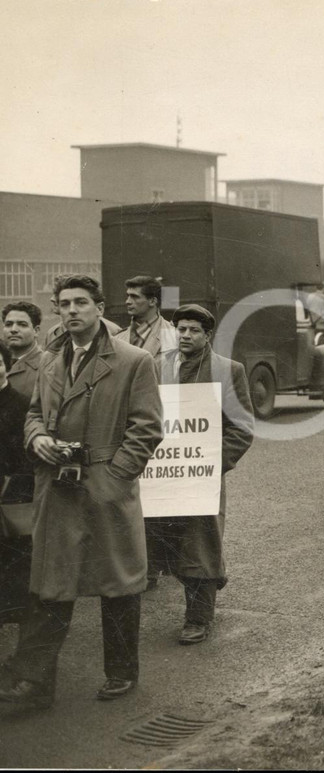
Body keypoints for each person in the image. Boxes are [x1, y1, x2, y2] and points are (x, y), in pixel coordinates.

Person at [0, 275, 162, 708]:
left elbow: (147, 428)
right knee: (51, 584)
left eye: (81, 302)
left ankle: (122, 672)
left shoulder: (134, 360)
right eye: (64, 303)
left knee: (119, 583)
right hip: (58, 488)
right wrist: (37, 440)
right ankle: (33, 684)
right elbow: (33, 415)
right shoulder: (52, 361)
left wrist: (115, 479)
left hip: (105, 487)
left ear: (99, 306)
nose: (72, 310)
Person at [158, 305, 254, 645]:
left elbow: (242, 428)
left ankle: (198, 618)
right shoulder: (157, 366)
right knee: (166, 541)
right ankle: (204, 587)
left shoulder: (228, 370)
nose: (185, 335)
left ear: (207, 335)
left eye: (193, 330)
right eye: (180, 329)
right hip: (163, 475)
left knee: (200, 544)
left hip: (203, 474)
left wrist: (212, 463)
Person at [114, 275, 178, 591]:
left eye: (134, 296)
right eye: (127, 295)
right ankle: (145, 565)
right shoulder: (120, 338)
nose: (128, 301)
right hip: (128, 427)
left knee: (163, 499)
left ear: (152, 301)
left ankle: (161, 562)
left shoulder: (173, 337)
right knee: (137, 499)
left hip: (164, 426)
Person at [0, 339, 34, 626]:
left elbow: (26, 459)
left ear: (6, 367)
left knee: (14, 556)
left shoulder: (22, 404)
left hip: (10, 496)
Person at [2, 302, 43, 400]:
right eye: (8, 324)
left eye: (22, 325)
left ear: (36, 331)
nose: (14, 329)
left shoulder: (47, 365)